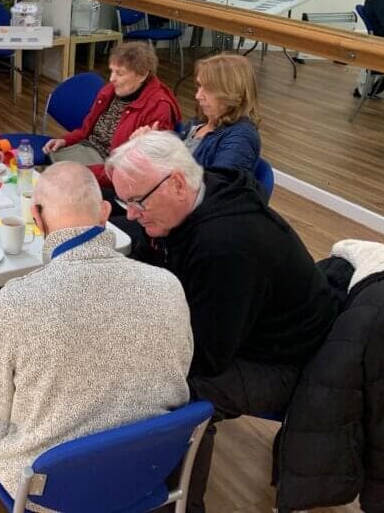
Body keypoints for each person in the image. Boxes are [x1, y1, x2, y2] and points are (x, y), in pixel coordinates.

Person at [106, 133, 338, 513]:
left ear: (177, 183)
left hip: (292, 364)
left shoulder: (226, 247)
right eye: (124, 202)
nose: (131, 213)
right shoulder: (204, 188)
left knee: (174, 391)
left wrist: (135, 338)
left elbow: (209, 357)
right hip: (249, 332)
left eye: (136, 202)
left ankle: (176, 506)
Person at [0, 162, 193, 494]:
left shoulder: (16, 300)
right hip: (146, 471)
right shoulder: (169, 285)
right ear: (104, 213)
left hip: (49, 489)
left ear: (37, 216)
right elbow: (180, 371)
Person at [42, 42, 181, 186]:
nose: (111, 79)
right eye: (111, 71)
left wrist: (83, 173)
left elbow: (133, 171)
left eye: (119, 73)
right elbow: (86, 129)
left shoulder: (159, 108)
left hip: (113, 173)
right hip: (88, 154)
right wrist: (66, 140)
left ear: (142, 75)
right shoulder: (111, 90)